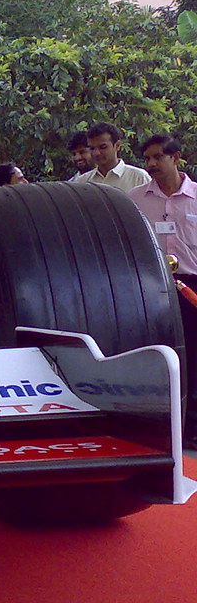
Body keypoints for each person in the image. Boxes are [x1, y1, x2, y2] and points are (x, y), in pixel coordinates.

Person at [128, 134, 197, 447]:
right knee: (158, 352)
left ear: (176, 158)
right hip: (153, 285)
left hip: (192, 286)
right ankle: (159, 423)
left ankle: (191, 426)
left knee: (193, 354)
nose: (152, 164)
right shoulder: (135, 198)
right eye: (147, 159)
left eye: (158, 157)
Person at [74, 122, 150, 192]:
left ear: (117, 146)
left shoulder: (138, 178)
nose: (96, 153)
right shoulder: (81, 182)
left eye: (103, 147)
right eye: (92, 148)